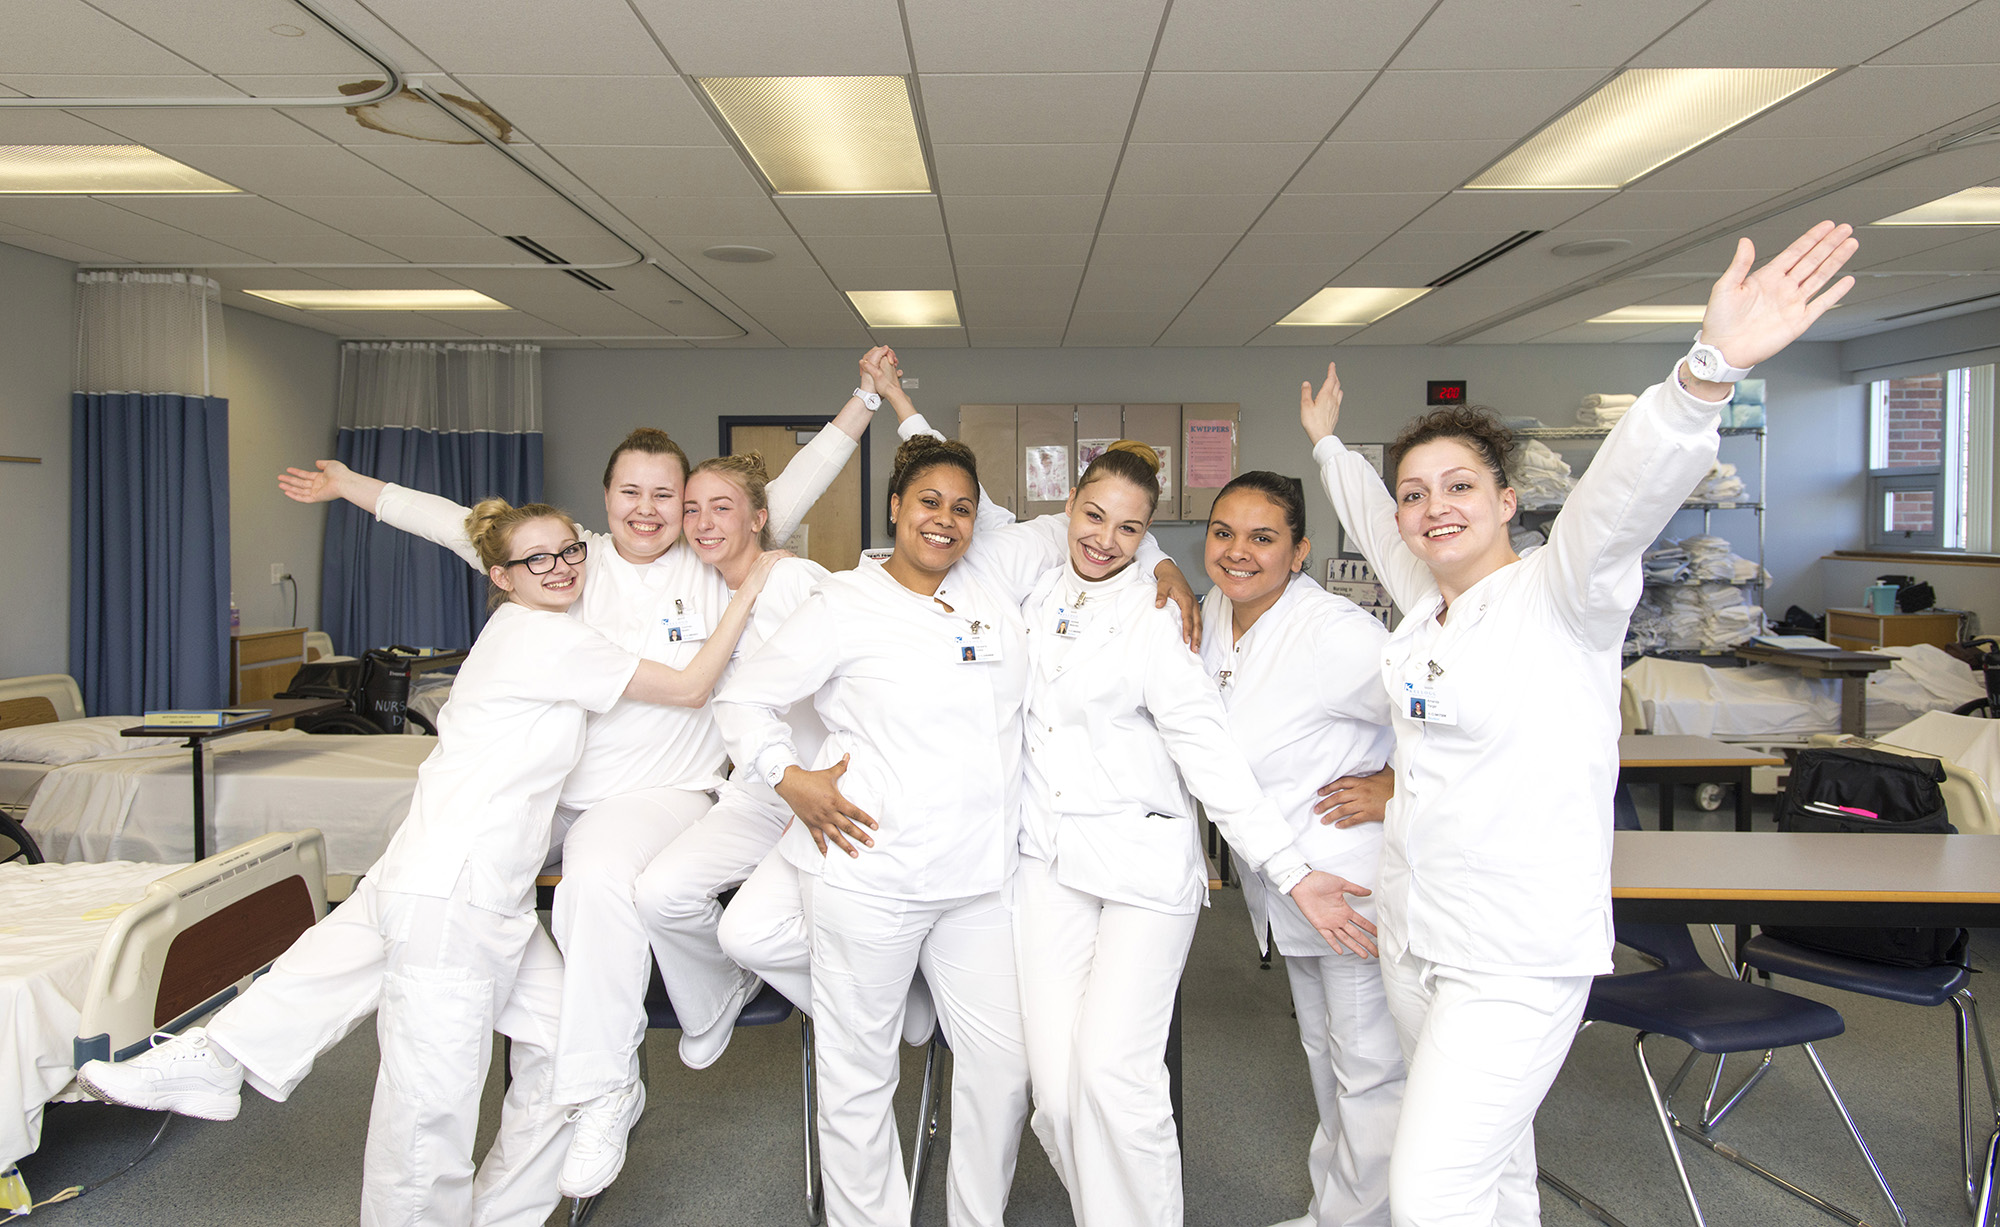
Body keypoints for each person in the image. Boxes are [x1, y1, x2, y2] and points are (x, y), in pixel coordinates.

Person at [1302, 220, 1857, 1227]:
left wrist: (1704, 373)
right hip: (1418, 938)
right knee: (1493, 1173)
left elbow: (1616, 502)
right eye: (1417, 494)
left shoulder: (1563, 596)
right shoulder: (1426, 602)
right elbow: (1375, 519)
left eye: (1458, 488)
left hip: (1513, 958)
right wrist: (1329, 448)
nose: (1432, 510)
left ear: (1507, 499)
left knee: (1430, 1189)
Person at [276, 358, 887, 1197]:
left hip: (657, 799)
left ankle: (605, 1087)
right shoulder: (574, 561)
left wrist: (863, 399)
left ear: (690, 505)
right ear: (606, 499)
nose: (648, 508)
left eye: (665, 494)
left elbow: (803, 475)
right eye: (630, 491)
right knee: (423, 872)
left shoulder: (707, 560)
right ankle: (261, 1026)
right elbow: (462, 525)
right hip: (557, 800)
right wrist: (353, 486)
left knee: (595, 880)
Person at [80, 500, 781, 1227]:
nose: (561, 567)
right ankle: (224, 1064)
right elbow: (692, 684)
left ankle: (221, 1056)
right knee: (427, 1116)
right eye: (537, 558)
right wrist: (751, 587)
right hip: (456, 892)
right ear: (502, 577)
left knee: (563, 1041)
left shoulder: (546, 629)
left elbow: (467, 526)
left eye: (569, 551)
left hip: (455, 880)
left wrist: (354, 482)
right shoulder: (543, 640)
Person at [1008, 442, 1371, 1227]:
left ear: (1148, 537)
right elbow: (952, 509)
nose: (1107, 537)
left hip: (1145, 866)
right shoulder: (1035, 589)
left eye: (1131, 528)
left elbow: (1209, 749)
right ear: (1065, 510)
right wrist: (895, 408)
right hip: (1047, 864)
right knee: (1056, 1096)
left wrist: (1291, 863)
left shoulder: (1160, 614)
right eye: (1094, 516)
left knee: (1113, 1075)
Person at [713, 435, 1038, 1227]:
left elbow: (1089, 561)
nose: (946, 519)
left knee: (1002, 1067)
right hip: (871, 876)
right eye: (929, 501)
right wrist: (789, 779)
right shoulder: (843, 604)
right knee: (858, 1077)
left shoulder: (992, 600)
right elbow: (742, 699)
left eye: (962, 507)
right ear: (895, 507)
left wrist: (1166, 568)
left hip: (979, 883)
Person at [1199, 471, 1403, 1227]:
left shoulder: (1336, 633)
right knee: (1328, 1053)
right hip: (1287, 878)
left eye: (1263, 537)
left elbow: (1450, 711)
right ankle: (1338, 1209)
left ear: (1299, 549)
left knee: (1368, 1066)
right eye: (1224, 532)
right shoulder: (1217, 611)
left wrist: (1395, 783)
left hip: (1347, 875)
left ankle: (1363, 1218)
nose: (1239, 551)